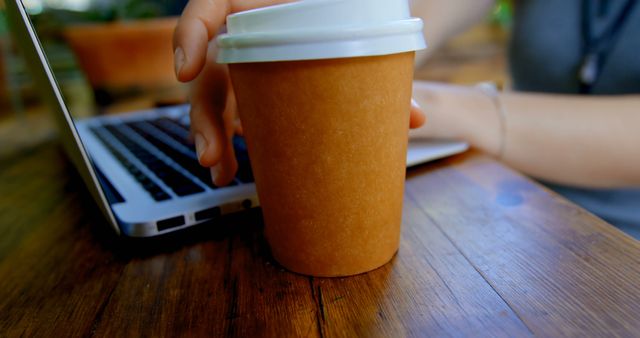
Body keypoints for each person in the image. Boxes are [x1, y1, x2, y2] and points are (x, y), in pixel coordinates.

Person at [173, 0, 640, 239]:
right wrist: (304, 21)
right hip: (519, 207)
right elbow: (410, 13)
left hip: (619, 248)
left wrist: (450, 107)